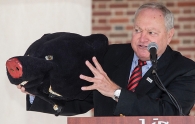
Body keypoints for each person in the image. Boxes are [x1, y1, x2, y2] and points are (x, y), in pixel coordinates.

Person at [17, 2, 195, 116]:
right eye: (138, 30)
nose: (142, 39)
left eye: (151, 33)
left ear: (169, 35)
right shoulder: (110, 55)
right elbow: (82, 99)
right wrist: (38, 93)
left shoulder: (185, 69)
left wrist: (116, 92)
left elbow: (171, 113)